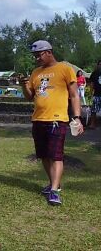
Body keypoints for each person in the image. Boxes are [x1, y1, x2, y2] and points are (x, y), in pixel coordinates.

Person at [21, 40, 84, 206]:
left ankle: (55, 191)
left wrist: (77, 117)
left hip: (57, 119)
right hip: (38, 119)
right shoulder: (35, 73)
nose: (36, 59)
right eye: (35, 56)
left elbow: (74, 95)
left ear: (49, 52)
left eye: (39, 55)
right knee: (43, 155)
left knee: (56, 156)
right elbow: (30, 97)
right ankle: (53, 183)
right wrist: (23, 84)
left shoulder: (64, 69)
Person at [88, 61, 101, 128]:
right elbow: (91, 83)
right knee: (93, 110)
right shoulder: (95, 73)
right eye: (100, 64)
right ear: (98, 65)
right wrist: (91, 93)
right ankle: (93, 124)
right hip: (97, 94)